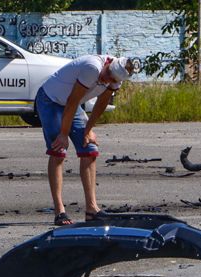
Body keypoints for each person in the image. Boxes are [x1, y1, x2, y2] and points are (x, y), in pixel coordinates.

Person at [36, 55, 134, 225]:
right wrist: (63, 134)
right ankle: (60, 212)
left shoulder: (116, 78)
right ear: (109, 64)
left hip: (71, 105)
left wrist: (88, 130)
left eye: (111, 80)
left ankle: (91, 209)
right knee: (58, 151)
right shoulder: (92, 68)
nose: (106, 80)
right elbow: (72, 101)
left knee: (89, 150)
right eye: (107, 75)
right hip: (51, 100)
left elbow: (101, 104)